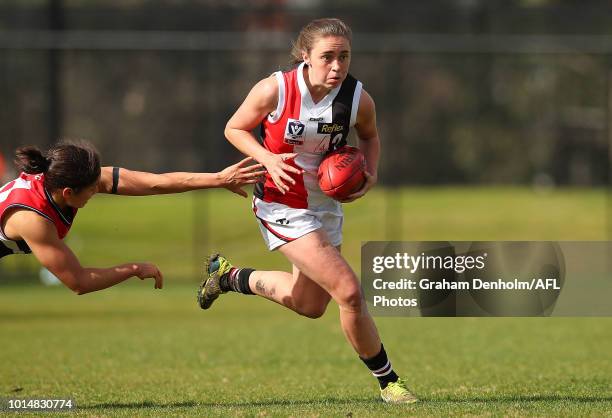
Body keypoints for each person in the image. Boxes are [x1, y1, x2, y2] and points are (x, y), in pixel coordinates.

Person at [197, 18, 417, 403]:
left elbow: (369, 135)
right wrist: (267, 158)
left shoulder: (357, 98)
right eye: (327, 57)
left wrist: (371, 170)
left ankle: (229, 276)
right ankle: (390, 382)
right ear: (305, 55)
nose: (337, 66)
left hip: (325, 207)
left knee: (309, 304)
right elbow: (235, 128)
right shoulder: (276, 89)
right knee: (349, 292)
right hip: (280, 203)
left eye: (344, 57)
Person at [0, 140, 264, 294]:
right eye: (93, 188)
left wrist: (218, 179)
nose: (99, 188)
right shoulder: (33, 220)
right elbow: (78, 281)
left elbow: (154, 183)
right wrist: (133, 269)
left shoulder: (61, 181)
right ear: (68, 193)